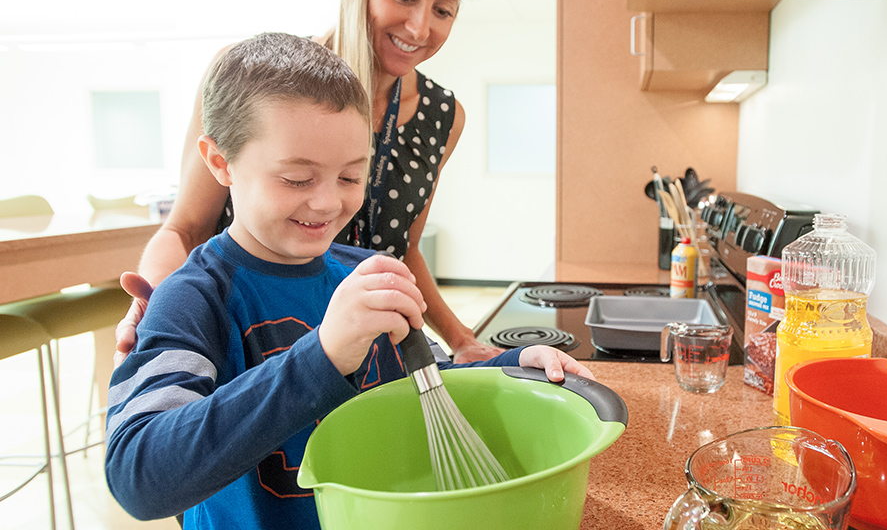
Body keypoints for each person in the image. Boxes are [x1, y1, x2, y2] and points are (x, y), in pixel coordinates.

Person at [104, 33, 592, 530]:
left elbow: (423, 383)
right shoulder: (195, 297)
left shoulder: (366, 269)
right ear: (220, 162)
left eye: (350, 177)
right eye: (297, 179)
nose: (327, 203)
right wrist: (323, 356)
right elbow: (139, 477)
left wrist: (514, 365)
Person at [115, 0, 504, 367]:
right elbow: (184, 230)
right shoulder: (256, 84)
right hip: (254, 344)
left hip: (373, 356)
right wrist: (162, 309)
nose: (420, 27)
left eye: (444, 9)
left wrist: (462, 338)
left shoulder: (443, 117)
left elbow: (405, 250)